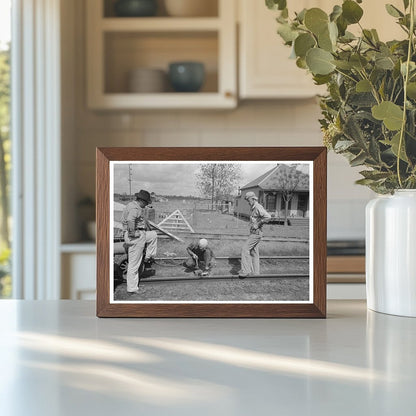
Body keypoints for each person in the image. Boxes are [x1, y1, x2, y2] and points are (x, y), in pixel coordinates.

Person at [121, 189, 157, 294]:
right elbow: (130, 220)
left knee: (153, 235)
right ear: (141, 201)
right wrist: (132, 233)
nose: (146, 205)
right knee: (134, 264)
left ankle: (148, 257)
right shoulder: (135, 208)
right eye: (146, 203)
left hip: (140, 234)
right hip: (135, 237)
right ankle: (132, 288)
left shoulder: (131, 205)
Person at [239, 191, 271, 278]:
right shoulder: (253, 207)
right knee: (254, 253)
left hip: (256, 234)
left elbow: (268, 217)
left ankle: (246, 270)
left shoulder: (257, 207)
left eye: (248, 200)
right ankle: (256, 273)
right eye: (247, 200)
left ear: (253, 199)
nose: (248, 202)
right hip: (254, 233)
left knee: (244, 249)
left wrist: (259, 223)